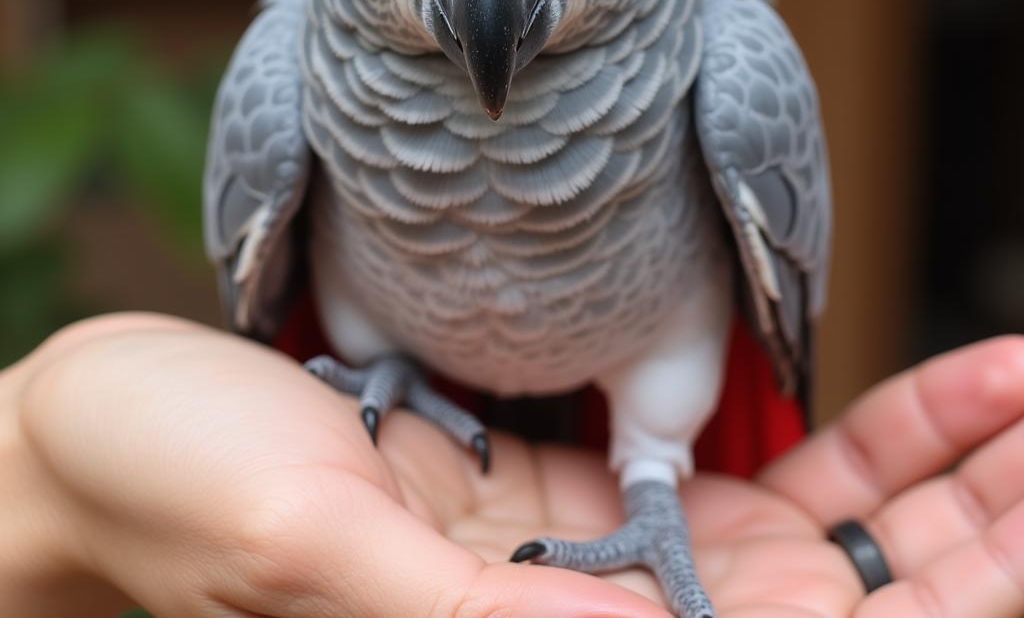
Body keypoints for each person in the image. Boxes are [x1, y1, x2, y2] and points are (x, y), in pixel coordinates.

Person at [2, 313, 1022, 617]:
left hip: (654, 405)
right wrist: (47, 449)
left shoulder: (726, 53)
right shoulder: (296, 61)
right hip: (399, 367)